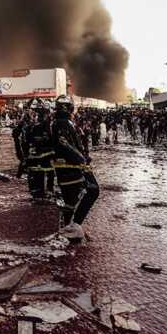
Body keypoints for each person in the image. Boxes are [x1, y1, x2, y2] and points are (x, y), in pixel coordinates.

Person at [52, 95, 100, 240]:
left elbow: (71, 144)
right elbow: (65, 145)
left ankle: (70, 227)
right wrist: (82, 159)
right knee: (92, 190)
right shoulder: (61, 123)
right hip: (70, 167)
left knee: (71, 200)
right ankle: (73, 227)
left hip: (71, 166)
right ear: (69, 108)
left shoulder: (64, 122)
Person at [22, 99, 56, 201]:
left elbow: (27, 140)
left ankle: (41, 191)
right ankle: (44, 191)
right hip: (42, 152)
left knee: (42, 172)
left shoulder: (38, 124)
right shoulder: (43, 124)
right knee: (45, 171)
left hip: (38, 152)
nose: (35, 115)